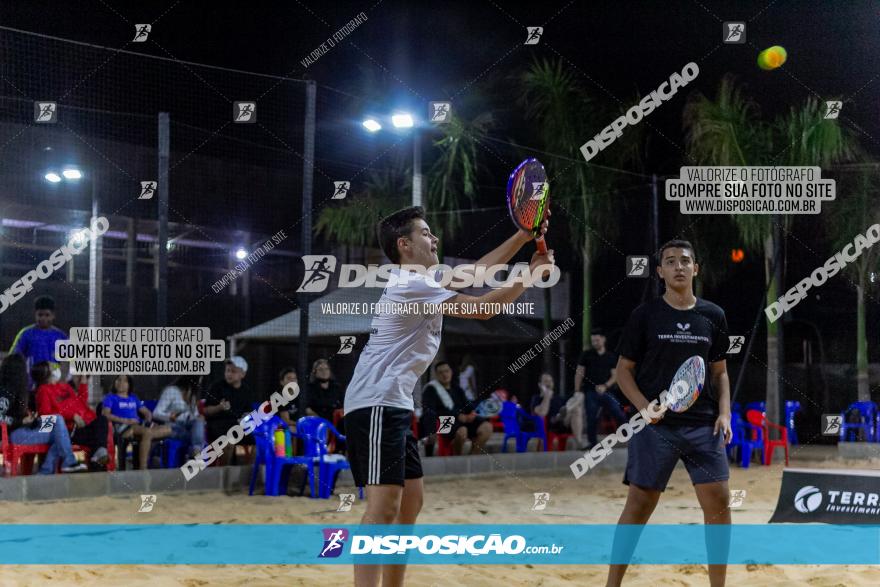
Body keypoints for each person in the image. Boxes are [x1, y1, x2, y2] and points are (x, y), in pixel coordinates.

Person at [343, 205, 553, 587]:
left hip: (393, 404)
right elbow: (485, 308)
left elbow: (478, 274)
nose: (434, 238)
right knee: (382, 509)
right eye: (426, 233)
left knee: (411, 504)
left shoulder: (424, 279)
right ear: (404, 244)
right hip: (375, 403)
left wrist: (523, 237)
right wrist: (529, 275)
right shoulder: (410, 282)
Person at [607, 239, 733, 587]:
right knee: (638, 509)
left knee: (720, 509)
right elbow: (623, 371)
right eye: (670, 261)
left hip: (703, 427)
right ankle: (612, 584)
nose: (679, 266)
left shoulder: (713, 315)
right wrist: (644, 408)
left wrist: (725, 414)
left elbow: (720, 373)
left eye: (685, 261)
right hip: (656, 428)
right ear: (660, 271)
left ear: (696, 269)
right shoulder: (644, 315)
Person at [0, 353, 87, 473]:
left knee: (59, 430)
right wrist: (20, 421)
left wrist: (30, 417)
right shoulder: (6, 391)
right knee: (58, 426)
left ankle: (46, 472)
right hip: (16, 435)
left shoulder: (22, 390)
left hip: (28, 429)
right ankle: (68, 462)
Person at [33, 362, 109, 468]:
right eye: (53, 367)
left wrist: (83, 384)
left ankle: (98, 455)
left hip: (83, 425)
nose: (56, 368)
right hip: (67, 431)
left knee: (102, 420)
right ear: (45, 373)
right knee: (97, 439)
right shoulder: (43, 390)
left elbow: (80, 403)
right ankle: (96, 459)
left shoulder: (65, 386)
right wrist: (71, 415)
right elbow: (46, 416)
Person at [421, 361, 491, 456]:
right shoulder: (431, 390)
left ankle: (473, 456)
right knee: (462, 431)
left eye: (446, 371)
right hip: (444, 423)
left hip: (461, 422)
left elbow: (467, 405)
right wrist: (457, 416)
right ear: (436, 375)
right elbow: (430, 412)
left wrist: (473, 412)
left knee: (487, 427)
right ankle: (457, 457)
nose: (444, 374)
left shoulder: (457, 388)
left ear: (451, 372)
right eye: (441, 372)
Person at [102, 375, 172, 469]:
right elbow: (105, 414)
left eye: (124, 381)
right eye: (118, 380)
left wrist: (148, 420)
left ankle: (146, 450)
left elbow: (146, 412)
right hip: (123, 426)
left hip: (139, 424)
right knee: (147, 432)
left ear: (129, 384)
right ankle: (143, 467)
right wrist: (126, 420)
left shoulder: (133, 397)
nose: (120, 383)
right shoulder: (111, 398)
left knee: (168, 429)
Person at [576, 328, 627, 449]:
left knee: (618, 412)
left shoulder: (610, 356)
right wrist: (577, 391)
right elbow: (579, 373)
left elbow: (615, 375)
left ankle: (627, 435)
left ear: (603, 340)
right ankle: (592, 443)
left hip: (607, 391)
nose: (595, 343)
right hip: (590, 391)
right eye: (593, 341)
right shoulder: (586, 355)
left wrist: (605, 386)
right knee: (591, 416)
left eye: (597, 340)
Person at [203, 357, 255, 465]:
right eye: (227, 370)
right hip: (217, 425)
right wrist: (219, 407)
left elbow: (248, 412)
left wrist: (246, 418)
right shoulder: (216, 387)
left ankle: (246, 473)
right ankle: (224, 475)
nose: (229, 374)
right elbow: (205, 411)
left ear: (243, 374)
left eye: (233, 371)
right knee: (228, 440)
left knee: (256, 440)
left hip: (237, 426)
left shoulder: (246, 391)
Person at [9, 296, 69, 382]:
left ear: (53, 316)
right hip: (30, 384)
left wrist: (62, 381)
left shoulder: (61, 336)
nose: (43, 318)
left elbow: (69, 362)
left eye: (47, 315)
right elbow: (13, 358)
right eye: (40, 315)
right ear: (35, 314)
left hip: (53, 385)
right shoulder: (25, 334)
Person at [152, 375, 205, 459]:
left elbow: (194, 416)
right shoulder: (171, 391)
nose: (200, 383)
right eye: (199, 380)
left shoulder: (192, 395)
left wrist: (198, 416)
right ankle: (195, 454)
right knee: (196, 435)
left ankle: (195, 452)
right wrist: (169, 417)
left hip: (188, 426)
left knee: (199, 422)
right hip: (173, 426)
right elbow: (156, 413)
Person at [530, 372, 585, 450]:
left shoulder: (558, 398)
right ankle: (561, 414)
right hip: (550, 426)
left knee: (579, 400)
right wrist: (547, 396)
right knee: (572, 409)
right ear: (540, 384)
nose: (549, 383)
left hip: (563, 422)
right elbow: (543, 413)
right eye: (546, 381)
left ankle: (579, 443)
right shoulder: (536, 398)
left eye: (550, 381)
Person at [303, 359, 345, 425]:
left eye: (326, 369)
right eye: (320, 369)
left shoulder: (337, 387)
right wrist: (320, 420)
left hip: (337, 420)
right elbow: (307, 408)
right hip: (319, 420)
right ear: (315, 372)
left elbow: (343, 405)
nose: (324, 371)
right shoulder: (309, 388)